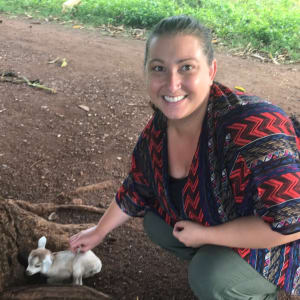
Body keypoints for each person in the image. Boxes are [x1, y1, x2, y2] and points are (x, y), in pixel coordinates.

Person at [70, 15, 300, 299]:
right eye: (159, 68)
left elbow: (290, 223)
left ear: (211, 70)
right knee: (156, 222)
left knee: (209, 276)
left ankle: (246, 285)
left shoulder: (253, 127)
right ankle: (223, 263)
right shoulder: (158, 130)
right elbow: (139, 185)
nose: (172, 83)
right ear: (146, 73)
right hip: (232, 221)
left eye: (186, 67)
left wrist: (206, 237)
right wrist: (98, 231)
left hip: (285, 241)